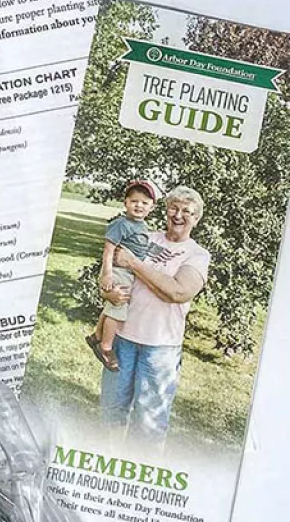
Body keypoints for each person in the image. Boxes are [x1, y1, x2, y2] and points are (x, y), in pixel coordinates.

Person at [100, 185, 210, 449]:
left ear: (196, 218)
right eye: (174, 208)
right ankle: (111, 460)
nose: (179, 215)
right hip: (122, 340)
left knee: (149, 423)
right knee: (112, 411)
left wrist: (136, 264)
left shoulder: (197, 254)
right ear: (165, 210)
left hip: (160, 347)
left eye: (187, 211)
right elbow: (111, 268)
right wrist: (108, 292)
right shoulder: (145, 236)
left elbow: (178, 291)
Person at [86, 181, 157, 372]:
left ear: (152, 207)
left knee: (112, 306)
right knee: (118, 308)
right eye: (134, 201)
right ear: (125, 203)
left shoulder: (142, 226)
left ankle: (96, 337)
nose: (138, 206)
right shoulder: (120, 224)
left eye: (144, 202)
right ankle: (106, 347)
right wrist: (107, 274)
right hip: (118, 270)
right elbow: (108, 251)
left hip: (128, 271)